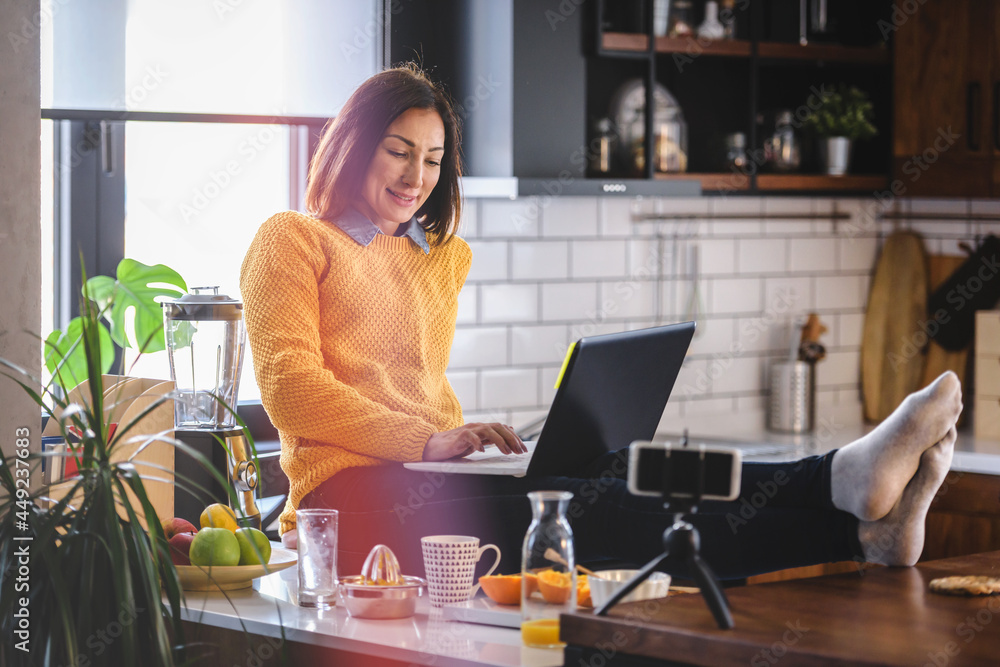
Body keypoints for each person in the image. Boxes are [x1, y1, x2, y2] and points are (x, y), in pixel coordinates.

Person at [240, 64, 963, 579]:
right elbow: (291, 389)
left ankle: (838, 480)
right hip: (351, 502)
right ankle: (854, 528)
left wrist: (460, 442)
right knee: (580, 506)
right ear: (351, 141)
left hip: (432, 474)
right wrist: (427, 440)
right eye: (398, 151)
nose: (415, 176)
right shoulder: (292, 239)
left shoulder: (437, 256)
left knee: (621, 469)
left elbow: (411, 381)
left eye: (432, 159)